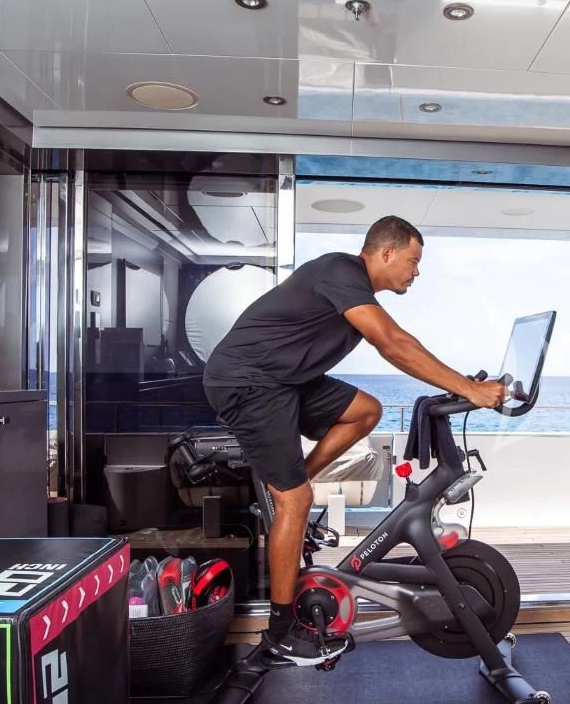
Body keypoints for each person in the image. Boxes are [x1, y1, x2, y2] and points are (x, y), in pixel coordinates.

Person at [202, 216, 507, 666]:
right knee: (295, 502)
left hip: (285, 381)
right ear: (387, 252)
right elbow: (393, 343)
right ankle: (282, 634)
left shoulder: (352, 289)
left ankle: (289, 483)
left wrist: (462, 383)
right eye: (413, 261)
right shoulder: (341, 271)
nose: (416, 272)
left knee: (366, 410)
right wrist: (469, 389)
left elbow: (396, 344)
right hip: (249, 382)